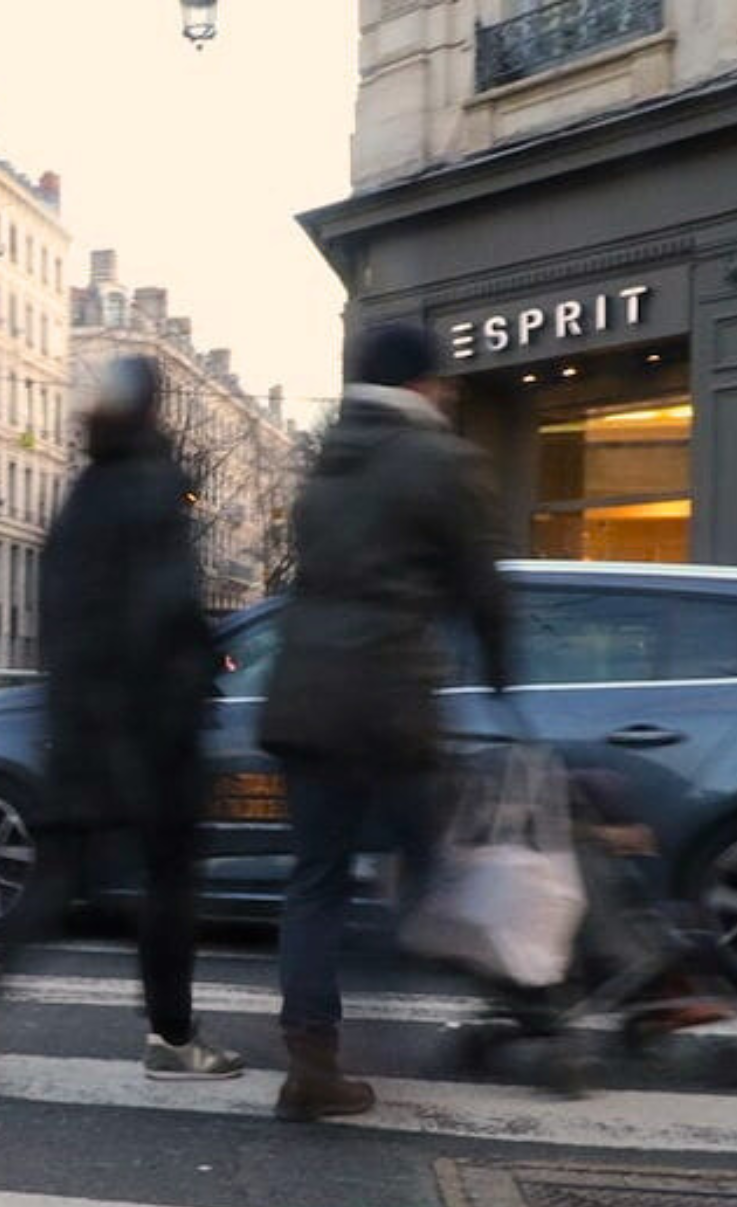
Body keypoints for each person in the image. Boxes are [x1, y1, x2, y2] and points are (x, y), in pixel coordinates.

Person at [0, 356, 241, 1093]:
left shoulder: (82, 493)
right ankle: (173, 1035)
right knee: (171, 880)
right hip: (151, 724)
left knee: (60, 877)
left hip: (79, 720)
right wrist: (202, 672)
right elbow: (166, 609)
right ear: (153, 412)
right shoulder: (154, 487)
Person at [261, 320, 510, 1123]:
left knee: (316, 879)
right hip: (389, 698)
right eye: (440, 382)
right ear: (418, 384)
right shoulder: (439, 461)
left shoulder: (326, 466)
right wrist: (504, 673)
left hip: (303, 694)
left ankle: (311, 1056)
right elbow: (481, 581)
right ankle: (514, 1011)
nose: (446, 394)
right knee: (436, 860)